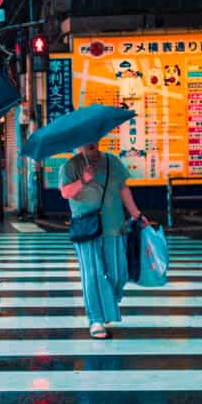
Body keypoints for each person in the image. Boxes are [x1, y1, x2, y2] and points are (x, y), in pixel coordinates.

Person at [59, 142, 147, 339]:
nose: (90, 142)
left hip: (114, 226)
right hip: (86, 229)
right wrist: (84, 180)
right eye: (85, 139)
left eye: (94, 137)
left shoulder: (112, 161)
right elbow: (65, 193)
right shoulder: (71, 166)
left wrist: (135, 213)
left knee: (118, 274)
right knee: (92, 275)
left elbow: (123, 189)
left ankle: (106, 303)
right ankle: (95, 319)